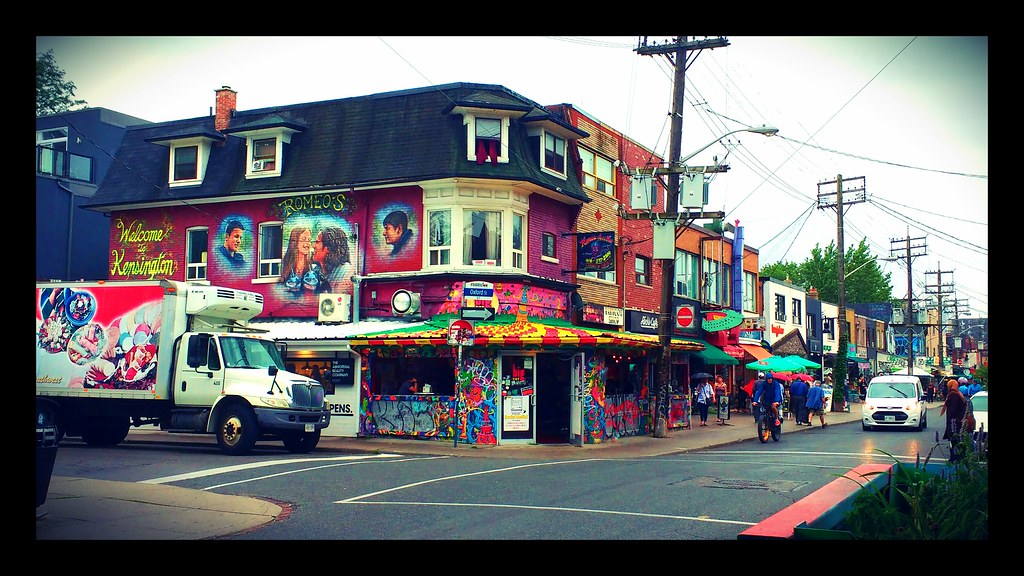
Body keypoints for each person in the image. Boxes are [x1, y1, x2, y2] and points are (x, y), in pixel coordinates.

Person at [309, 225, 351, 293]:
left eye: (317, 242)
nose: (313, 246)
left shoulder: (345, 271)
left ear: (329, 248)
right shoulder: (315, 271)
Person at [940, 378, 968, 461]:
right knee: (958, 440)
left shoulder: (953, 395)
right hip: (958, 421)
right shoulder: (958, 394)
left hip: (955, 422)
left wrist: (951, 420)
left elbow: (953, 409)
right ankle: (960, 456)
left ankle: (955, 457)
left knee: (954, 440)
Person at [280, 226, 313, 293]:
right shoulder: (284, 264)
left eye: (309, 240)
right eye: (303, 239)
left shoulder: (312, 266)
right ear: (294, 242)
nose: (307, 244)